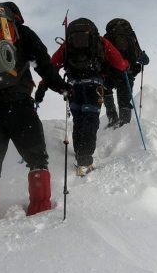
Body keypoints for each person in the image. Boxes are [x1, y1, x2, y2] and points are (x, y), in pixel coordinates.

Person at [0, 2, 70, 228]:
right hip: (18, 104)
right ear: (16, 17)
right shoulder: (20, 33)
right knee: (37, 158)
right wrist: (62, 87)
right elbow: (43, 63)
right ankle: (40, 206)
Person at [39, 17, 129, 176]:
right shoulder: (100, 42)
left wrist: (42, 87)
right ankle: (85, 159)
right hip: (94, 85)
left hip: (73, 87)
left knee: (79, 119)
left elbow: (52, 66)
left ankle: (80, 153)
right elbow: (120, 64)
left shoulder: (67, 45)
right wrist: (126, 66)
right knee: (91, 118)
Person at [102, 18, 149, 129]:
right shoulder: (131, 38)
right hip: (127, 73)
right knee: (124, 100)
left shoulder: (106, 39)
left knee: (106, 91)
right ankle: (124, 124)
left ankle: (112, 118)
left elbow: (101, 56)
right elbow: (145, 60)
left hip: (110, 73)